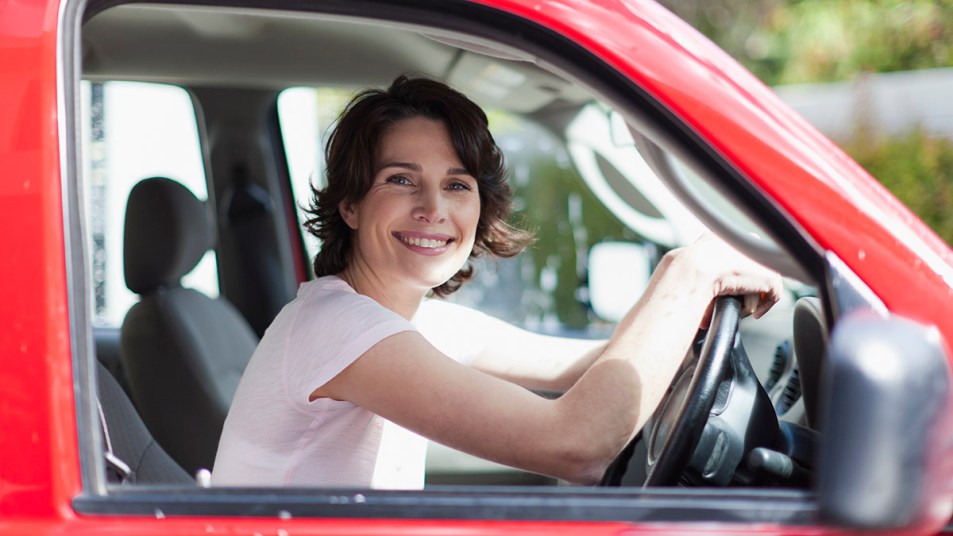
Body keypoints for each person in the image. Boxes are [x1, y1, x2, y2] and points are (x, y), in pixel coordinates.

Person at [211, 75, 782, 489]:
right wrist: (686, 274)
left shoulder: (409, 319)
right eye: (401, 180)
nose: (434, 208)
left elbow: (585, 366)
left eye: (457, 185)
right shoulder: (339, 328)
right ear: (352, 206)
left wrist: (682, 325)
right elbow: (575, 446)